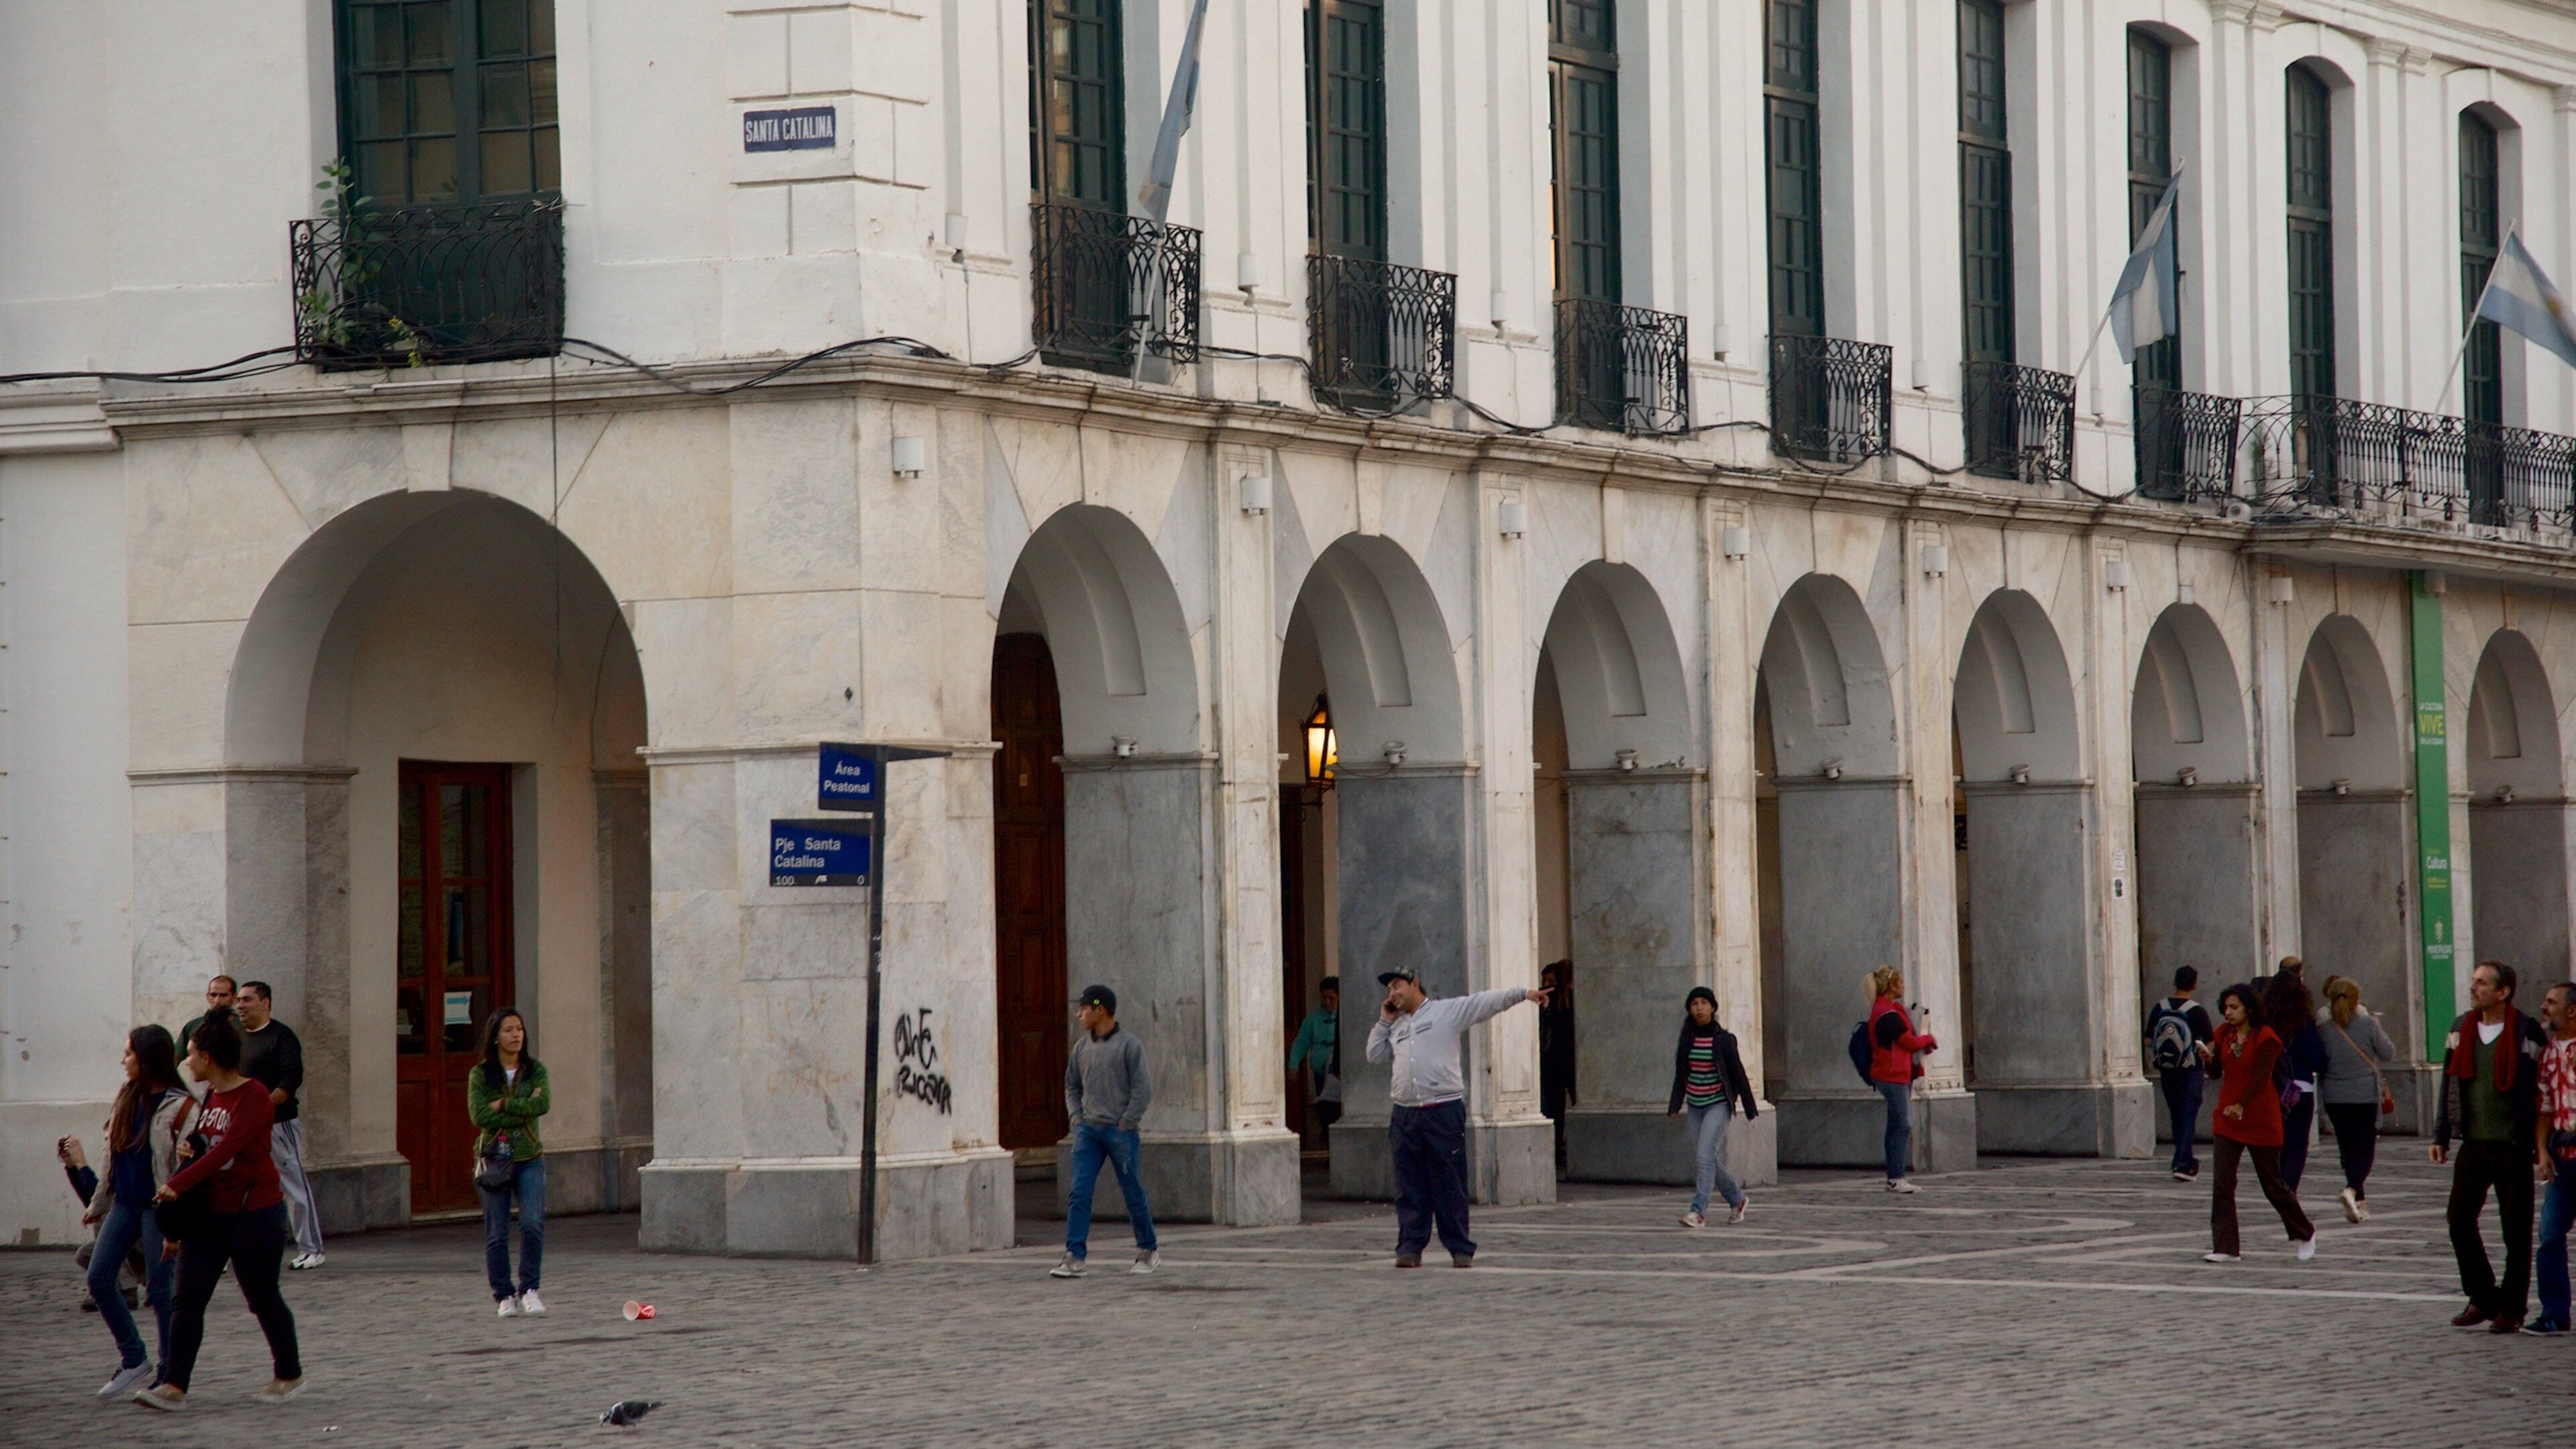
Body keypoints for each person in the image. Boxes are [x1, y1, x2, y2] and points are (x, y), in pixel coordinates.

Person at [135, 1009, 304, 1411]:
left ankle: (289, 1373)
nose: (185, 1062)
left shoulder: (255, 1096)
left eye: (191, 1054)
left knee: (262, 1297)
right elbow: (207, 1146)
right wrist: (188, 1150)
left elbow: (229, 1148)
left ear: (208, 1057)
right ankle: (175, 1386)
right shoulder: (210, 1095)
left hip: (255, 1213)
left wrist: (174, 1185)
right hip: (211, 1214)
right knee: (188, 1298)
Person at [1366, 966, 1550, 1267]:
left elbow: (1485, 1002)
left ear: (1415, 984)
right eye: (1388, 990)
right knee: (1409, 1186)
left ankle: (1460, 1248)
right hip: (1405, 1115)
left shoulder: (1446, 1012)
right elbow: (1374, 1055)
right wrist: (1384, 1022)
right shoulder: (1396, 1026)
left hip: (1442, 1111)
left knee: (1448, 1182)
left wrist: (1524, 994)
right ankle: (1410, 1247)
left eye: (1397, 986)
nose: (1392, 994)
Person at [2432, 960, 2548, 1333]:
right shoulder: (2460, 1028)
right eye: (2473, 982)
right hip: (2474, 1142)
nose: (2474, 988)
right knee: (2459, 1219)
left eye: (2482, 983)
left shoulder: (2526, 1030)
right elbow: (2449, 1082)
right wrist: (2441, 1135)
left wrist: (2538, 1141)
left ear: (2503, 992)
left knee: (2516, 1230)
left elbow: (2540, 1086)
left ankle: (2512, 1309)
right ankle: (2483, 1296)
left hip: (2512, 1145)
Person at [80, 1026, 192, 1401]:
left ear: (147, 1059)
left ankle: (168, 1374)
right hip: (125, 1204)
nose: (123, 1061)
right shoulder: (126, 1096)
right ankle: (133, 1359)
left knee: (161, 1291)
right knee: (99, 1278)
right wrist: (98, 1204)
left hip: (159, 1208)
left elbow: (188, 1164)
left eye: (129, 1054)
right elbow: (110, 1158)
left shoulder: (180, 1105)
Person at [2200, 982, 2316, 1263]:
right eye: (2225, 1007)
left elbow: (2262, 1076)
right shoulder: (2224, 1035)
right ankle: (2226, 1247)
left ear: (2249, 1008)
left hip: (2260, 1118)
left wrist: (2242, 1104)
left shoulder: (2265, 1037)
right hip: (2227, 1119)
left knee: (2273, 1184)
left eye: (2234, 1007)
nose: (2228, 1013)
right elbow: (2216, 1073)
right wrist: (2208, 1058)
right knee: (2223, 1183)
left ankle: (2305, 1232)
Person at [1051, 985, 1157, 1279]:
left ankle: (1148, 1249)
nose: (1079, 1014)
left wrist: (1126, 1121)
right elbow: (1071, 1085)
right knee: (1079, 1193)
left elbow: (1143, 1089)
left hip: (1121, 1133)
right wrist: (1076, 1117)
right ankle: (1075, 1256)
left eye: (1084, 1008)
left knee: (1132, 1191)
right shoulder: (1081, 1048)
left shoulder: (1129, 1046)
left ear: (1101, 1009)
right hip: (1088, 1133)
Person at [233, 982, 324, 1271]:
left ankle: (312, 1249)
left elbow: (291, 1079)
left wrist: (262, 1108)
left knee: (293, 1185)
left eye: (247, 1000)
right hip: (241, 1126)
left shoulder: (282, 1037)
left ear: (265, 1003)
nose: (241, 1006)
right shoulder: (236, 1036)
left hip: (278, 1125)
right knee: (235, 1185)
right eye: (239, 1001)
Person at [468, 1007, 551, 1318]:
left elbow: (542, 1104)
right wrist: (523, 1107)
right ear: (495, 1037)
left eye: (519, 1029)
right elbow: (479, 1115)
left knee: (532, 1223)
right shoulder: (480, 1074)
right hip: (494, 1160)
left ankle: (530, 1288)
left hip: (529, 1157)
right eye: (508, 1030)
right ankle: (504, 1295)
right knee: (497, 1232)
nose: (516, 1035)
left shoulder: (535, 1071)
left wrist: (503, 1103)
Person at [1666, 987, 1757, 1228]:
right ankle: (1737, 1200)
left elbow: (1737, 1074)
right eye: (1694, 1003)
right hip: (1695, 1105)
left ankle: (1698, 1212)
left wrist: (1749, 1107)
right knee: (1707, 1158)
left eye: (1704, 1003)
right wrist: (1675, 1104)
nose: (1699, 1008)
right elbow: (1681, 1074)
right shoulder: (1687, 1038)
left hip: (1718, 1104)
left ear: (1713, 1007)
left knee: (1704, 1155)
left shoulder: (1724, 1040)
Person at [2315, 974, 2398, 1223]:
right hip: (2363, 1095)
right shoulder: (2368, 1025)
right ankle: (2352, 1189)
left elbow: (2320, 1062)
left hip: (2334, 1096)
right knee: (2365, 1148)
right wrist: (2376, 1025)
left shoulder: (2323, 1031)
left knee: (2347, 1146)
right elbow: (2388, 1053)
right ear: (2356, 1000)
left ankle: (2359, 1201)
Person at [1866, 967, 1935, 1193]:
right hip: (1892, 1074)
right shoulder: (1888, 1014)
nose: (1904, 986)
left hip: (1895, 1073)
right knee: (1903, 1123)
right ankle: (1896, 1177)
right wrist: (1929, 1038)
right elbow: (1907, 1042)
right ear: (1892, 986)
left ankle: (1894, 1176)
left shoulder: (1888, 1009)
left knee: (1895, 1124)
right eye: (1901, 983)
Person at [2532, 980, 2576, 1336]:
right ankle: (2555, 1313)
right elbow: (2544, 1108)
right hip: (2563, 1158)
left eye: (2551, 1002)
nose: (2544, 1008)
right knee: (2549, 1235)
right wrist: (2543, 1151)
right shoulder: (2548, 1053)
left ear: (2572, 1010)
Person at [2262, 961, 2326, 1191]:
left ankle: (2279, 1186)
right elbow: (2315, 1059)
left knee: (2278, 1143)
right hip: (2301, 1088)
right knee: (2298, 1145)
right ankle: (2288, 1190)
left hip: (2272, 1088)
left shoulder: (2265, 1023)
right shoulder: (2303, 1022)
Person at [2145, 966, 2214, 1181]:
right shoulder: (2197, 1011)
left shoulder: (2160, 1007)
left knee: (2177, 1115)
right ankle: (2182, 1163)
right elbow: (2210, 1044)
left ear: (2175, 982)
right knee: (2188, 1114)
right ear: (2194, 985)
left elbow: (2148, 1041)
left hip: (2167, 1070)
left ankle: (2183, 1158)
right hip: (2190, 1070)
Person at [1289, 976, 1342, 1135]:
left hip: (1340, 1075)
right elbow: (1302, 1042)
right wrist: (1294, 1064)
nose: (1327, 1002)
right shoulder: (1312, 1019)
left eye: (1331, 998)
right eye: (1324, 997)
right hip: (1321, 1074)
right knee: (1324, 1113)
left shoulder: (1344, 1016)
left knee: (1338, 1113)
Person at [1538, 960, 1577, 1170]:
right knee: (1567, 1106)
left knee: (1555, 1111)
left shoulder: (1551, 1001)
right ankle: (1573, 1152)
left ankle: (1555, 1153)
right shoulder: (1569, 1001)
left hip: (1553, 1061)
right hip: (1568, 1061)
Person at [174, 975, 236, 1061]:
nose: (217, 1001)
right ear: (208, 997)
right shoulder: (194, 1026)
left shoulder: (243, 1025)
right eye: (213, 995)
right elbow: (174, 1059)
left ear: (234, 998)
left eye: (223, 995)